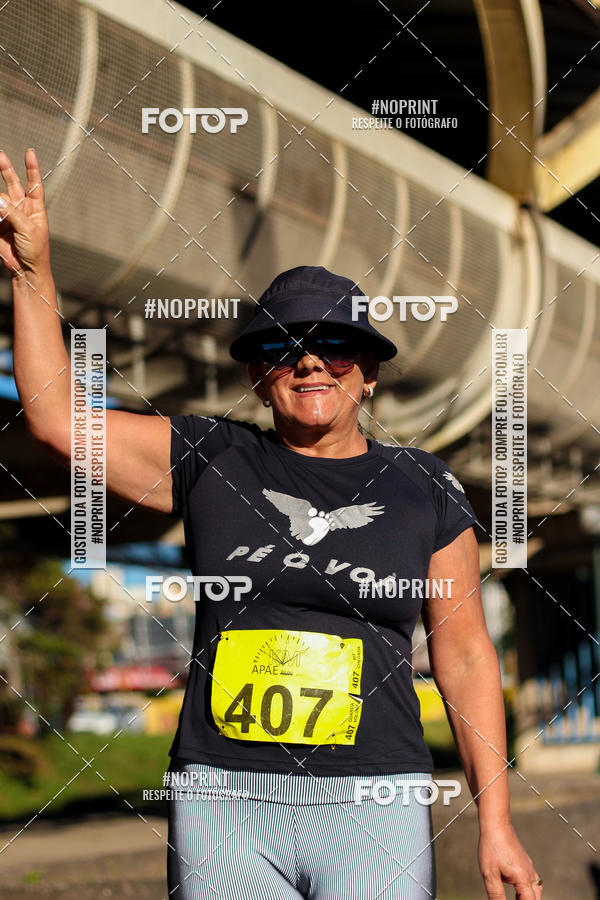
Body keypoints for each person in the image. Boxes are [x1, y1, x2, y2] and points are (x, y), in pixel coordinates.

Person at [1, 148, 543, 899]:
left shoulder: (425, 488)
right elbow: (58, 418)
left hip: (374, 799)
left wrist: (496, 821)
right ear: (258, 374)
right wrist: (33, 269)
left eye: (336, 345)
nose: (310, 363)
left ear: (371, 370)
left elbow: (468, 659)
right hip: (224, 798)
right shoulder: (210, 458)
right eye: (282, 348)